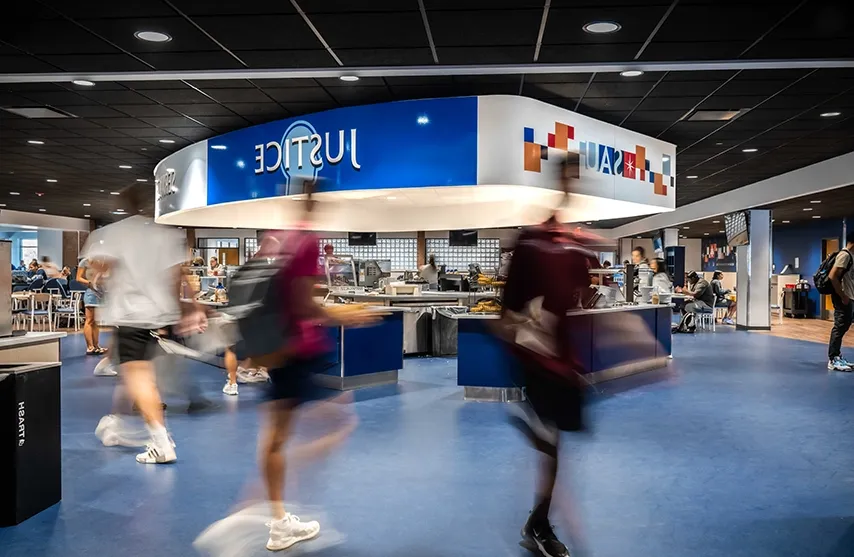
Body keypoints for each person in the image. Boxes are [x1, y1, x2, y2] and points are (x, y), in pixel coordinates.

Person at [496, 154, 595, 557]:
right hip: (536, 358)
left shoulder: (573, 247)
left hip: (564, 361)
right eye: (567, 176)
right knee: (552, 442)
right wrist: (524, 339)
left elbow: (581, 300)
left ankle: (538, 516)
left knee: (558, 440)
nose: (572, 183)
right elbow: (509, 310)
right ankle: (539, 524)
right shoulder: (530, 242)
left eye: (576, 177)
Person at [88, 184, 206, 464]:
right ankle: (119, 421)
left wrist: (101, 276)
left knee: (140, 378)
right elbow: (178, 275)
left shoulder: (112, 234)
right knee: (135, 374)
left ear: (125, 203)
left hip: (131, 315)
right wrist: (190, 308)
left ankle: (161, 441)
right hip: (155, 316)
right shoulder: (167, 235)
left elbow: (99, 267)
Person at [827, 232, 854, 371]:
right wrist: (843, 295)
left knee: (844, 325)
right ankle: (833, 359)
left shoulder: (850, 256)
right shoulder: (845, 255)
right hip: (843, 298)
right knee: (840, 326)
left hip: (849, 296)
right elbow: (833, 276)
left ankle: (837, 355)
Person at [77, 256, 106, 355]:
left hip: (100, 293)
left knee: (95, 321)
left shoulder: (102, 261)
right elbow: (78, 278)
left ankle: (96, 345)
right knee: (89, 320)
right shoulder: (85, 262)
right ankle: (90, 346)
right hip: (91, 293)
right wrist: (90, 283)